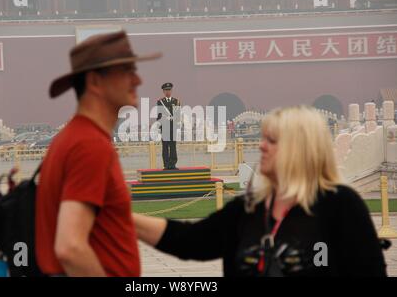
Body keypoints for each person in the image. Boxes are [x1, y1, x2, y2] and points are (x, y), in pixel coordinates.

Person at [133, 105, 387, 276]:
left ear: (301, 149)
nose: (262, 147)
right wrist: (124, 217)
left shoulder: (340, 205)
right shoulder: (249, 207)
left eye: (272, 141)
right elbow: (190, 241)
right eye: (263, 139)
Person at [35, 31, 161, 276]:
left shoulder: (75, 137)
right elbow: (70, 247)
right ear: (94, 82)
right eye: (127, 71)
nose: (137, 80)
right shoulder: (89, 145)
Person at [157, 82, 181, 170]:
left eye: (169, 90)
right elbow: (159, 115)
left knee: (173, 146)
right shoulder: (160, 102)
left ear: (171, 91)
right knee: (165, 146)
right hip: (165, 127)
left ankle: (173, 164)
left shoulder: (176, 101)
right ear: (163, 91)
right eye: (166, 90)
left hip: (173, 126)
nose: (168, 92)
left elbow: (178, 115)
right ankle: (166, 164)